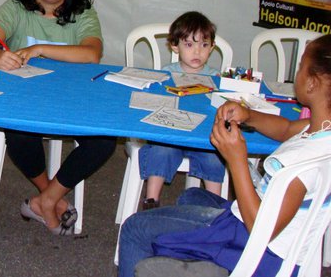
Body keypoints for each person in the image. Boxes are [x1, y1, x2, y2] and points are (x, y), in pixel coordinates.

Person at [119, 33, 331, 277]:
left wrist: (237, 159)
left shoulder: (300, 163)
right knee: (192, 196)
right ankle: (204, 262)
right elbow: (286, 129)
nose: (297, 73)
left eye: (301, 66)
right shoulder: (321, 133)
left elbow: (261, 229)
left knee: (134, 228)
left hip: (256, 251)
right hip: (283, 242)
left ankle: (219, 263)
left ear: (312, 83)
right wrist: (249, 115)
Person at [0, 0, 115, 235]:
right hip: (26, 100)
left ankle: (46, 201)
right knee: (19, 131)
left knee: (104, 140)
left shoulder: (83, 12)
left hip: (71, 101)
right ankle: (51, 197)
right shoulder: (17, 7)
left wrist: (39, 48)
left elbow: (92, 54)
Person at [139, 12, 226, 210]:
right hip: (171, 133)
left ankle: (215, 206)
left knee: (214, 157)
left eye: (204, 45)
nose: (197, 51)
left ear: (212, 47)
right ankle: (151, 200)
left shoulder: (216, 77)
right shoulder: (166, 73)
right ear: (175, 46)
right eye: (189, 44)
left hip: (202, 136)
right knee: (160, 151)